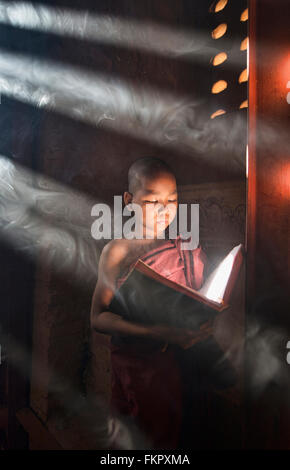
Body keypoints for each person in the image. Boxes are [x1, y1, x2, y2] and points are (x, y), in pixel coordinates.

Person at [90, 157, 213, 449]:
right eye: (151, 200)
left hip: (171, 361)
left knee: (164, 436)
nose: (164, 210)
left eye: (172, 199)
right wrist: (157, 332)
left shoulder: (183, 245)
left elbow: (196, 299)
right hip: (132, 361)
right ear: (129, 200)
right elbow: (97, 317)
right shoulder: (118, 250)